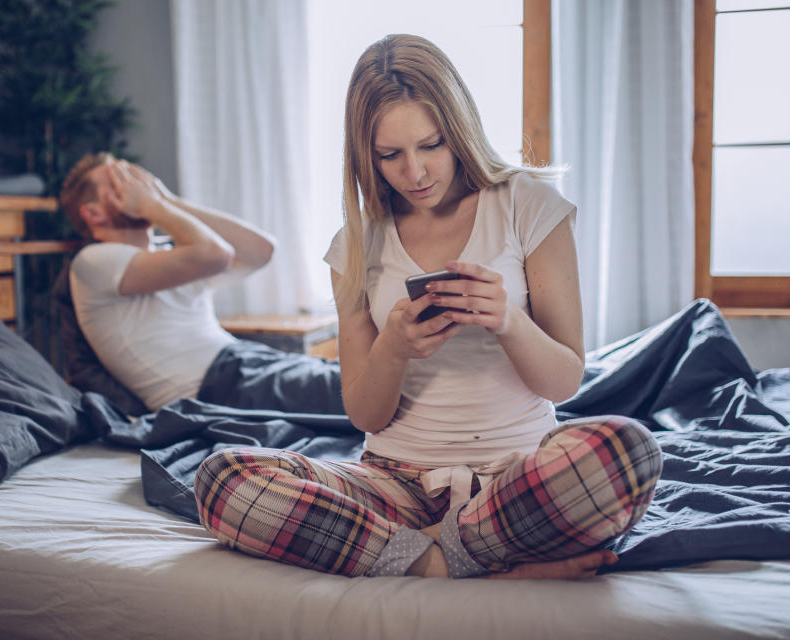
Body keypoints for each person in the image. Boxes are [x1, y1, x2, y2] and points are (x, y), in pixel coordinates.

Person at [194, 34, 662, 579]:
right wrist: (392, 349)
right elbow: (365, 415)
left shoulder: (528, 206)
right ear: (365, 155)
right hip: (394, 485)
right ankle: (454, 562)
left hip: (515, 480)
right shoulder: (355, 245)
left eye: (431, 145)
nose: (414, 173)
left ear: (459, 129)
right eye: (390, 155)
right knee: (222, 479)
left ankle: (420, 553)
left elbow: (564, 381)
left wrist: (508, 320)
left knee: (628, 450)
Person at [58, 153, 343, 415]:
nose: (135, 184)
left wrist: (166, 199)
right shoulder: (93, 262)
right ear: (92, 213)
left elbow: (261, 251)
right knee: (353, 391)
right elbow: (215, 254)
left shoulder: (170, 251)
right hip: (209, 390)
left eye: (132, 176)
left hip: (241, 365)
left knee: (354, 378)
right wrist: (153, 204)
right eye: (118, 182)